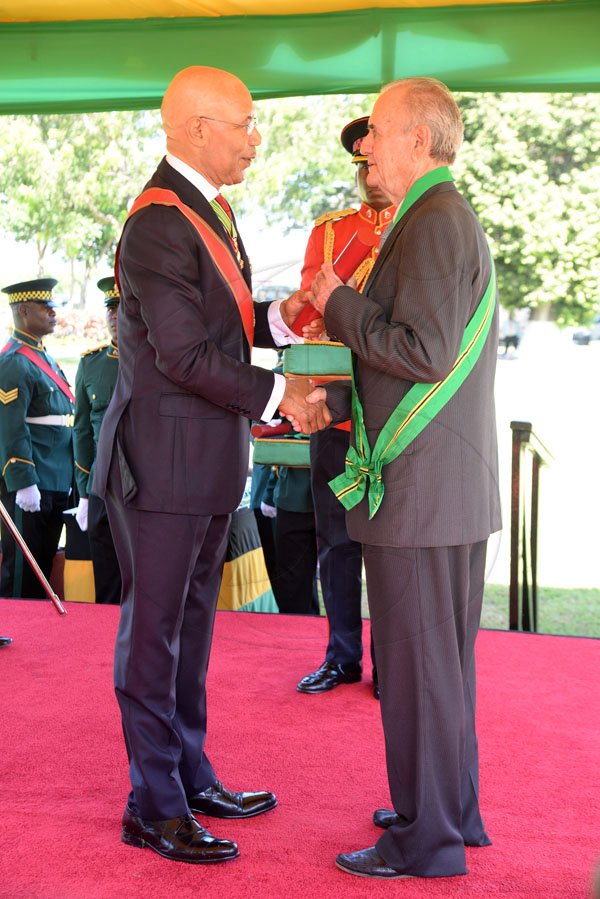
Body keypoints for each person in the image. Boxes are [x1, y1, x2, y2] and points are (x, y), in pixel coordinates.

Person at [93, 65, 330, 865]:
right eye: (246, 124)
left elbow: (218, 323)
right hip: (161, 466)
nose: (255, 139)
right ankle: (151, 804)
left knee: (191, 633)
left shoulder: (204, 209)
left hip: (200, 463)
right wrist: (280, 394)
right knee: (154, 638)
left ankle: (189, 775)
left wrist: (279, 317)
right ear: (198, 127)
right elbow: (186, 353)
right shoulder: (160, 220)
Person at [308, 77, 501, 879]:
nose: (366, 147)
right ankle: (447, 809)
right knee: (441, 669)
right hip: (444, 488)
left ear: (419, 140)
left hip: (420, 493)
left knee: (420, 676)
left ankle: (426, 839)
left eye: (377, 132)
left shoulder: (430, 222)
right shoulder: (440, 218)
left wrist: (339, 302)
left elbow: (421, 352)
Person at [296, 116, 395, 697]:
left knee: (389, 543)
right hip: (334, 407)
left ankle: (390, 662)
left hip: (394, 414)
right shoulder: (333, 232)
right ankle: (341, 656)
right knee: (335, 539)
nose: (370, 177)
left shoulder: (419, 229)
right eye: (362, 167)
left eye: (374, 162)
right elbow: (309, 314)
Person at [0, 278, 74, 600]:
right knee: (22, 572)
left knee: (42, 565)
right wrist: (22, 480)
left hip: (55, 477)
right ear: (24, 310)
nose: (53, 313)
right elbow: (9, 426)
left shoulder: (45, 357)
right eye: (46, 308)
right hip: (32, 481)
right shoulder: (15, 361)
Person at [73, 276, 121, 604]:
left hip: (149, 487)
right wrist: (84, 491)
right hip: (102, 484)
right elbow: (81, 431)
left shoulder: (159, 361)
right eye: (110, 310)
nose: (116, 316)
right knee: (106, 575)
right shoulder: (91, 363)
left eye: (123, 308)